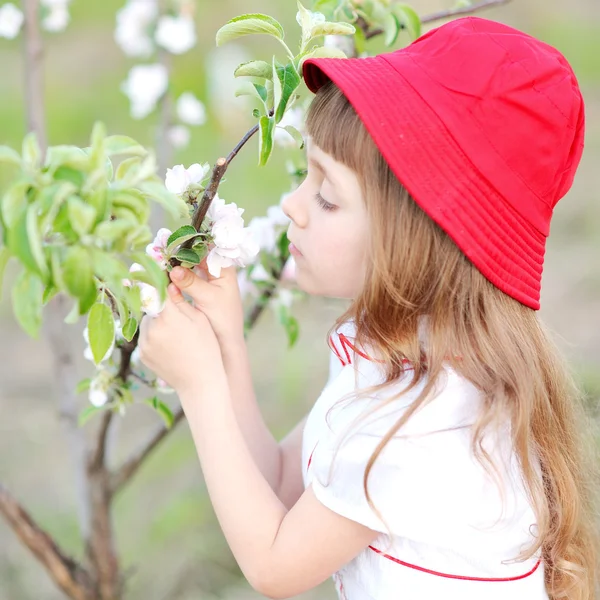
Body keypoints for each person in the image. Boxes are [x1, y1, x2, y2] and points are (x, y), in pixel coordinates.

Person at [139, 16, 598, 600]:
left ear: (414, 237)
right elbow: (284, 487)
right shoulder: (403, 352)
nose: (291, 205)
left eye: (327, 196)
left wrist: (200, 388)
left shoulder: (429, 419)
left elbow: (276, 567)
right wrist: (226, 344)